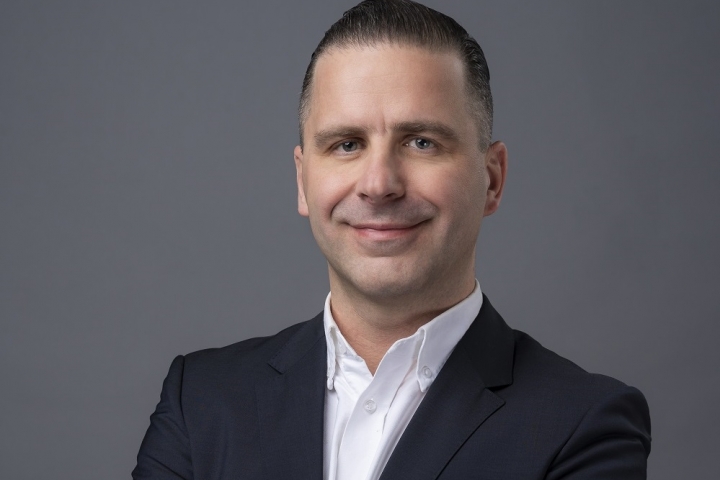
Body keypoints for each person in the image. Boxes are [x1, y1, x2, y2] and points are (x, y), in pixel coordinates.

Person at [133, 1, 651, 478]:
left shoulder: (583, 426)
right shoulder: (199, 402)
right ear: (303, 182)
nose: (379, 184)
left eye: (421, 142)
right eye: (347, 144)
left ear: (492, 179)